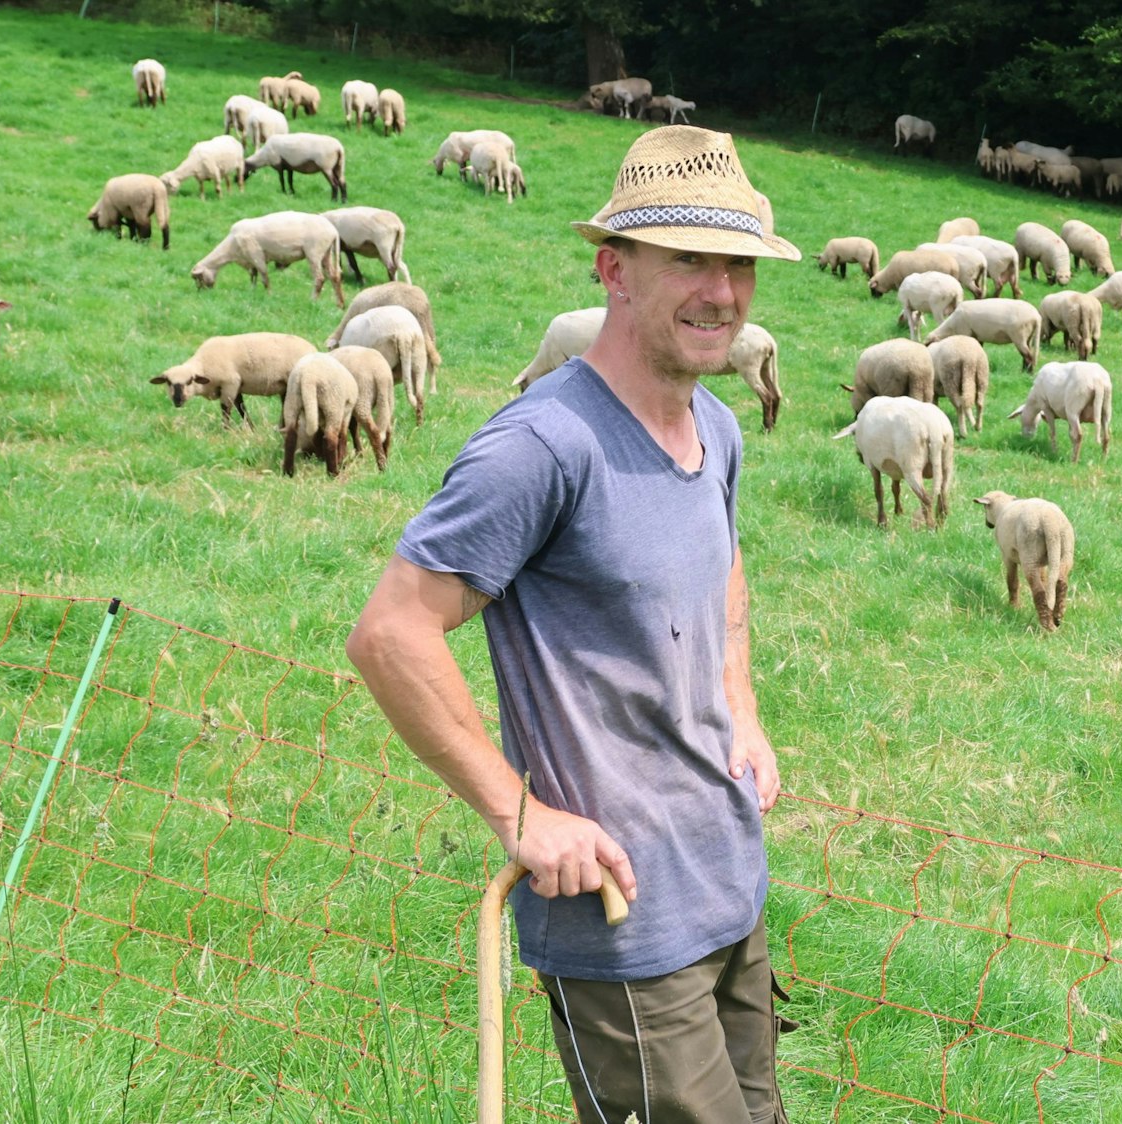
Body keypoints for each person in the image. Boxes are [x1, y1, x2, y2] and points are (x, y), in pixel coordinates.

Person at [345, 125, 801, 1123]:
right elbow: (391, 633)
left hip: (727, 880)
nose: (720, 291)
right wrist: (521, 816)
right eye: (688, 259)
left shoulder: (714, 426)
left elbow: (719, 574)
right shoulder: (542, 446)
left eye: (737, 265)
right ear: (614, 269)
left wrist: (742, 706)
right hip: (622, 920)